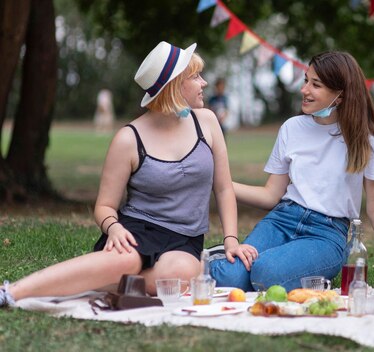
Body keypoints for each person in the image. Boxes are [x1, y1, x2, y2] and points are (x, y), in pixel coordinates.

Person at [0, 41, 257, 307]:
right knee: (128, 260)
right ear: (174, 86)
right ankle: (13, 291)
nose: (204, 83)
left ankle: (98, 278)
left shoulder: (207, 121)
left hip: (186, 240)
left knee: (184, 275)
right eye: (195, 76)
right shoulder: (128, 139)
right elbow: (104, 206)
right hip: (137, 230)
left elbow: (224, 187)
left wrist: (231, 240)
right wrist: (114, 229)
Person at [207, 51, 374, 292]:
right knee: (232, 277)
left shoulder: (364, 139)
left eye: (316, 84)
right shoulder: (292, 128)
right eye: (305, 81)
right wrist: (218, 182)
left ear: (340, 94)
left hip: (326, 235)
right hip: (282, 219)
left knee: (265, 273)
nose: (304, 90)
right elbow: (271, 195)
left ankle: (275, 263)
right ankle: (200, 262)